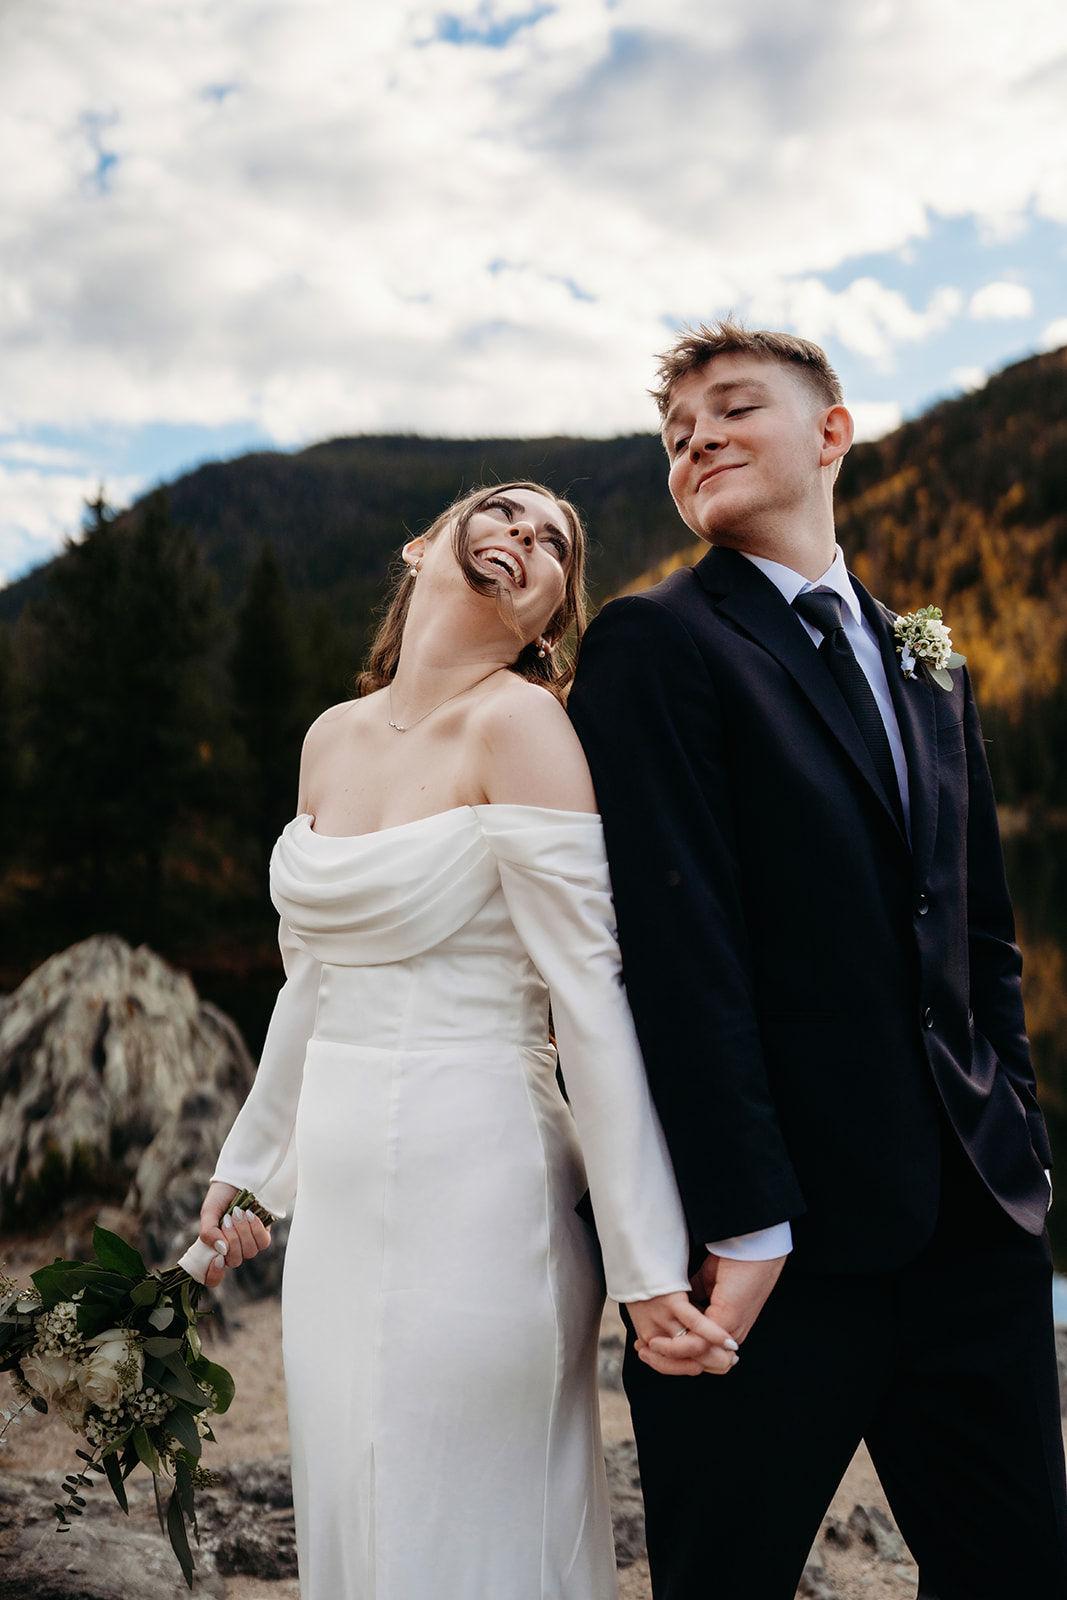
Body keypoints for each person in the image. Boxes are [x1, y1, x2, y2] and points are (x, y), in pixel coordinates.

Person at [567, 323, 1067, 1600]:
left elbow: (979, 932)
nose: (699, 443)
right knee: (722, 1578)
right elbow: (677, 949)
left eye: (731, 411)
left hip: (970, 1227)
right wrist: (744, 1212)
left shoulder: (926, 657)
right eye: (677, 438)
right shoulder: (655, 642)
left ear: (829, 434)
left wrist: (1018, 1136)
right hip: (770, 1252)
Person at [188, 481, 735, 1600]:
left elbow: (588, 996)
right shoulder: (329, 738)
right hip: (339, 1209)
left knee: (462, 1520)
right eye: (505, 513)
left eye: (553, 548)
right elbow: (312, 986)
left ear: (547, 619)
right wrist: (248, 1173)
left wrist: (641, 1263)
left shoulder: (520, 724)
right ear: (425, 541)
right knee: (356, 1492)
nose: (524, 540)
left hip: (479, 1187)